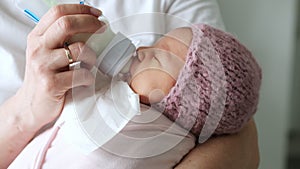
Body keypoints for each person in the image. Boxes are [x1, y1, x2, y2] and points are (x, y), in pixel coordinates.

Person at [0, 2, 260, 169]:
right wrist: (26, 109)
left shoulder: (133, 123)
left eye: (157, 54)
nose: (143, 48)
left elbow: (233, 122)